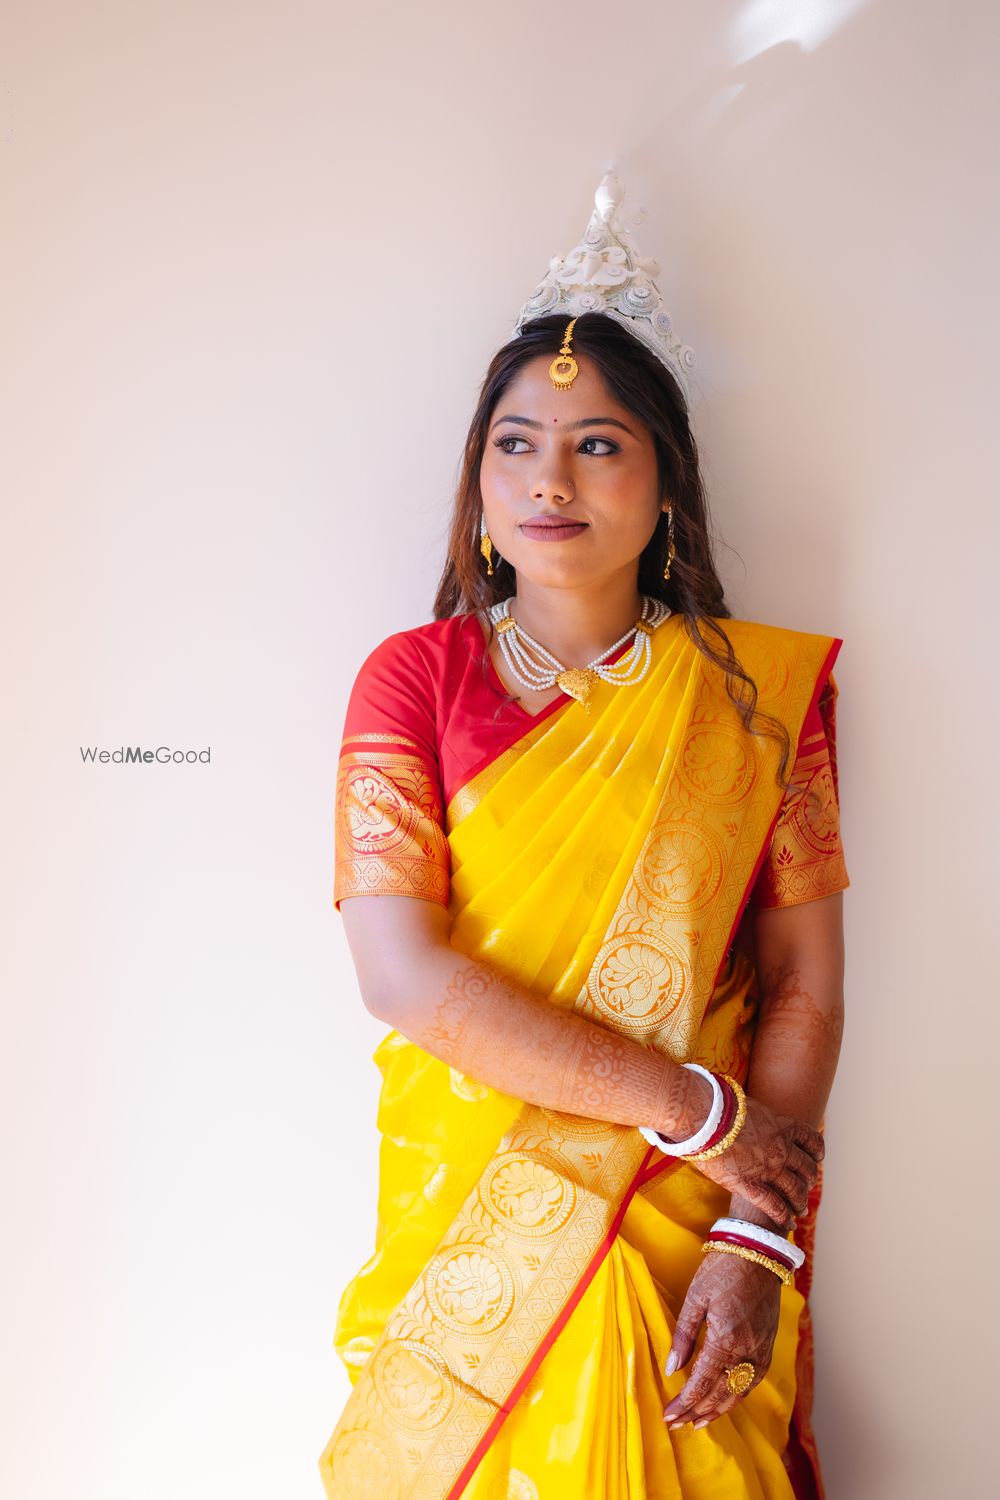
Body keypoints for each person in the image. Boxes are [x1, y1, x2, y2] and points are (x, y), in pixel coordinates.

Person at [318, 173, 848, 1500]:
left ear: (667, 483)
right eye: (516, 443)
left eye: (599, 444)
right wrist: (692, 1111)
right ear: (478, 477)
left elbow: (801, 984)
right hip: (477, 1213)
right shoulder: (414, 679)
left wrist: (757, 1240)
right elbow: (402, 976)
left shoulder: (753, 702)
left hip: (693, 1221)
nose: (549, 479)